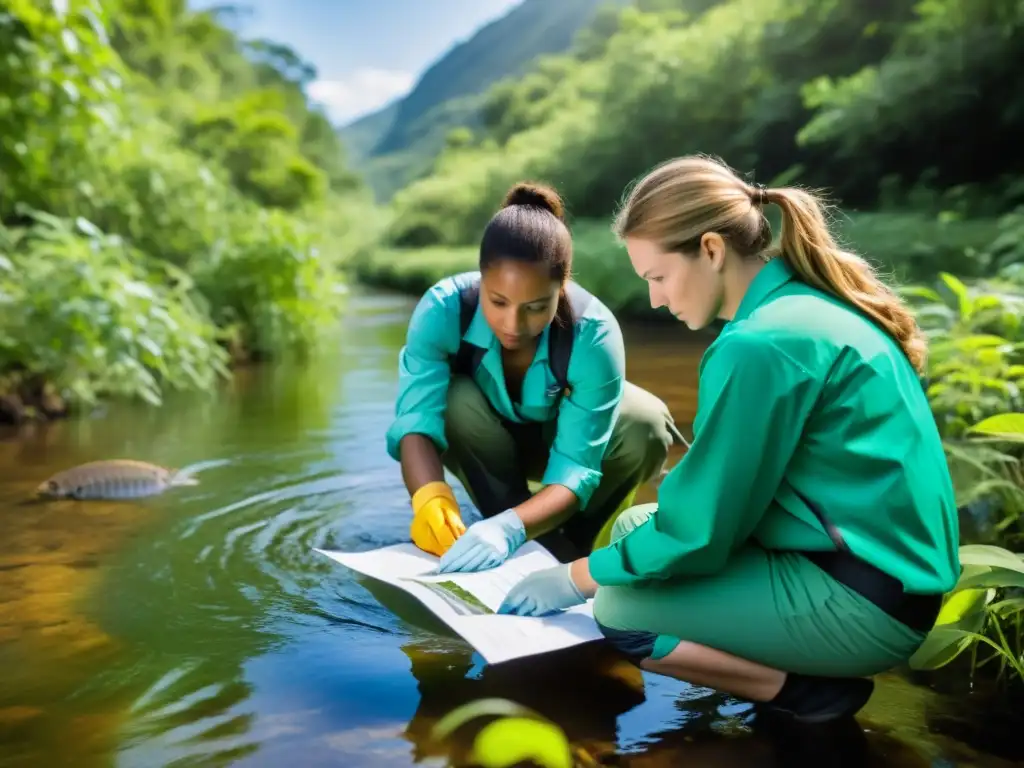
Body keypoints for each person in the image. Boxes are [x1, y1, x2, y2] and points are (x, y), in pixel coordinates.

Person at [495, 155, 961, 724]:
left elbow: (698, 534)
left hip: (866, 604)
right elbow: (704, 513)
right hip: (869, 569)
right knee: (630, 529)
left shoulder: (759, 346)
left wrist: (573, 578)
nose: (655, 301)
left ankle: (803, 694)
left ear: (712, 250)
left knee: (620, 607)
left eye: (657, 277)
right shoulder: (805, 308)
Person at [387, 180, 679, 573]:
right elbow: (416, 421)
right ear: (481, 279)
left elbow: (576, 466)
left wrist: (509, 529)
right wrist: (430, 498)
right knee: (453, 398)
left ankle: (573, 543)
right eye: (498, 301)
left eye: (537, 307)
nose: (513, 324)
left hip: (564, 448)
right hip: (483, 443)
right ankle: (513, 524)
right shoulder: (443, 310)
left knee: (648, 421)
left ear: (563, 287)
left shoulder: (594, 333)